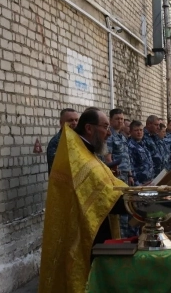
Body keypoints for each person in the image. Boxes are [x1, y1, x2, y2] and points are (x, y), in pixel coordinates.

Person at [39, 109, 128, 293]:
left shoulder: (86, 150)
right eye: (105, 127)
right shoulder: (75, 154)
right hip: (83, 231)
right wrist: (135, 201)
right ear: (89, 128)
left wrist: (136, 192)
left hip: (96, 225)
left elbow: (106, 184)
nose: (109, 133)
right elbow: (101, 193)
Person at [105, 109, 134, 185]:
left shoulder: (122, 137)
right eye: (117, 119)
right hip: (117, 176)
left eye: (122, 119)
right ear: (110, 120)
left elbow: (126, 157)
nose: (120, 121)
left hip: (125, 176)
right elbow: (108, 158)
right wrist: (113, 174)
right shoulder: (109, 136)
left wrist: (130, 175)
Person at [46, 108, 79, 174]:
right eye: (70, 120)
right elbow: (58, 168)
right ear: (61, 123)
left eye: (76, 120)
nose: (74, 123)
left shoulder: (78, 139)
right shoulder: (56, 142)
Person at [128, 120, 154, 186]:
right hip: (140, 185)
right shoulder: (130, 146)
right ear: (130, 132)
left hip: (149, 183)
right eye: (136, 130)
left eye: (141, 130)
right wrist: (138, 185)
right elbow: (130, 167)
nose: (139, 132)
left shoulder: (143, 145)